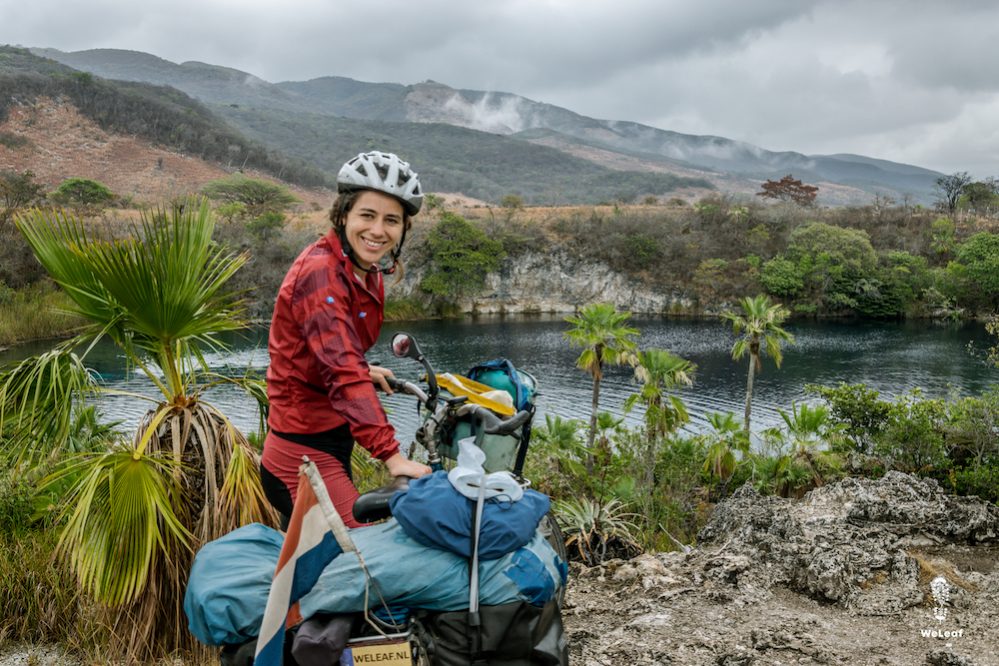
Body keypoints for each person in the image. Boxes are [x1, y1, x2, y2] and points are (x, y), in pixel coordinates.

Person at [261, 151, 431, 528]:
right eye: (367, 216)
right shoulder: (321, 273)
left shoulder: (363, 270)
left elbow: (328, 350)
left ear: (403, 229)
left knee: (340, 566)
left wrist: (362, 368)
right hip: (299, 455)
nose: (378, 230)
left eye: (391, 220)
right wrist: (392, 455)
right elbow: (341, 371)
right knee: (363, 559)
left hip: (332, 441)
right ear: (343, 216)